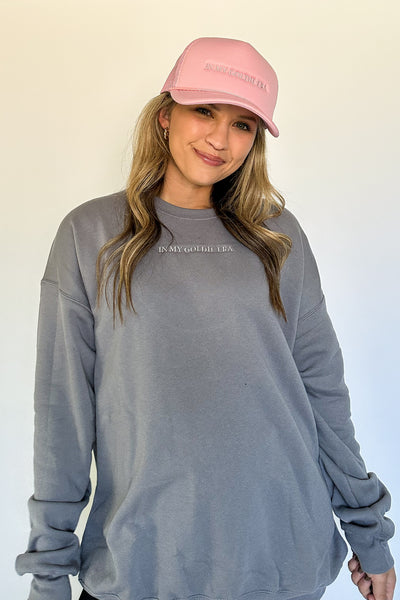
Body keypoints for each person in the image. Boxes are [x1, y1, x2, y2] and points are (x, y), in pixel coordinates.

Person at [15, 37, 395, 600]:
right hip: (142, 567)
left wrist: (368, 532)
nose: (220, 139)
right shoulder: (91, 235)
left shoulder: (277, 235)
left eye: (243, 124)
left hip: (281, 560)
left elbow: (322, 393)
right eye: (204, 111)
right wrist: (49, 574)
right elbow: (62, 416)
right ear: (166, 115)